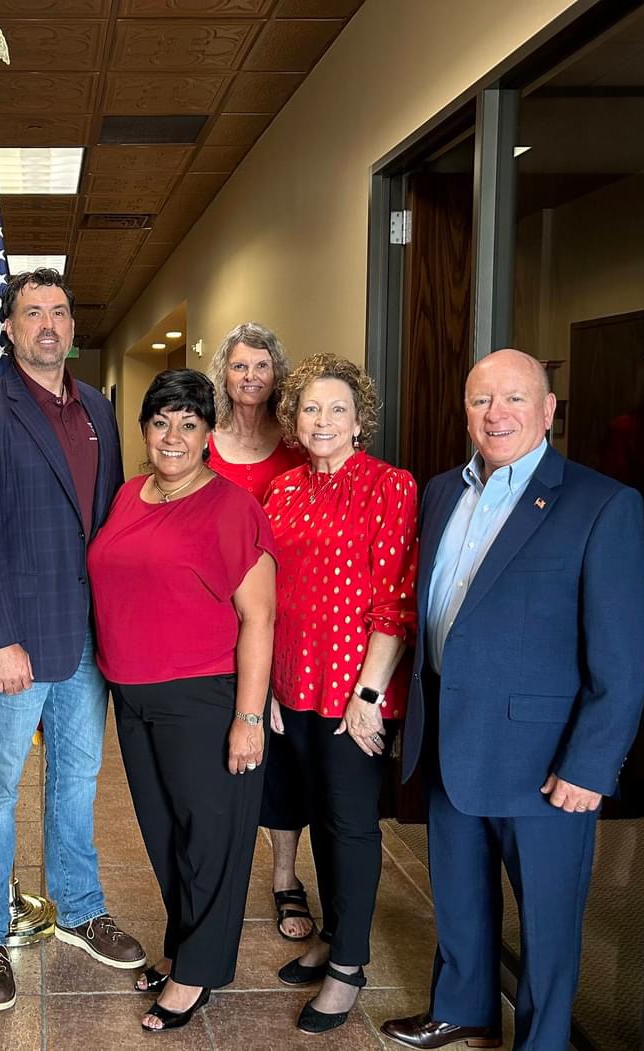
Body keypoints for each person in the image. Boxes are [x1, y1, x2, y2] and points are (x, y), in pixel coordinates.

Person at [382, 349, 644, 1051]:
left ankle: (544, 1040)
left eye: (513, 399)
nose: (495, 414)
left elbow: (623, 658)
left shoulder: (601, 503)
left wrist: (591, 765)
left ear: (548, 409)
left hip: (546, 759)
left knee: (548, 920)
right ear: (464, 410)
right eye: (480, 401)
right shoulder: (441, 490)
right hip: (449, 733)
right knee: (461, 897)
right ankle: (465, 1007)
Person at [0, 268, 145, 1013]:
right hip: (20, 641)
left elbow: (113, 519)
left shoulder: (97, 406)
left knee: (79, 778)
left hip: (90, 636)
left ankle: (82, 906)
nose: (49, 325)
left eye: (60, 310)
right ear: (12, 327)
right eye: (33, 312)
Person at [89, 369, 277, 1033]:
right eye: (162, 421)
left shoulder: (232, 507)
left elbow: (259, 618)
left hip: (201, 695)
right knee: (166, 832)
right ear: (144, 428)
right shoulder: (127, 495)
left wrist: (248, 717)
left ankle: (196, 972)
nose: (173, 436)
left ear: (207, 436)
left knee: (211, 836)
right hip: (132, 696)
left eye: (189, 424)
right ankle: (183, 947)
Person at [265, 354, 418, 1034]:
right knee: (318, 815)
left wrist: (369, 693)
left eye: (336, 408)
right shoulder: (282, 491)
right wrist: (268, 681)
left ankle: (349, 967)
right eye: (309, 409)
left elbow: (395, 602)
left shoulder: (390, 487)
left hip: (356, 691)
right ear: (293, 419)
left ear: (360, 419)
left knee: (352, 824)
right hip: (293, 684)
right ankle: (332, 935)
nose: (322, 420)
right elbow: (267, 593)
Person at [205, 322, 311, 942]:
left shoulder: (298, 444)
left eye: (262, 367)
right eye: (240, 367)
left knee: (284, 755)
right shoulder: (205, 441)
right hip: (219, 620)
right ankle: (221, 878)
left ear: (278, 374)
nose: (250, 378)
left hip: (288, 613)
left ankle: (284, 876)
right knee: (226, 750)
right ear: (225, 373)